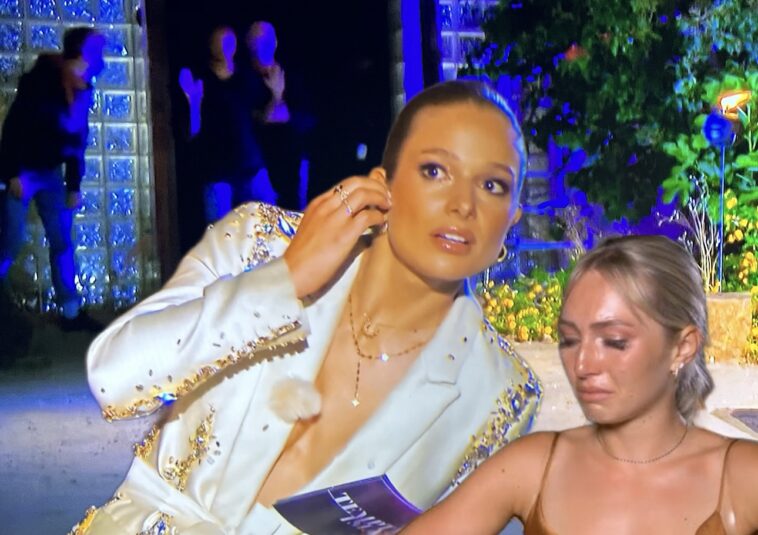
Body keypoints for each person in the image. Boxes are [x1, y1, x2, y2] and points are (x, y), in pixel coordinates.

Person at [72, 80, 542, 534]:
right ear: (385, 184)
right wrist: (285, 281)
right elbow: (113, 379)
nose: (462, 205)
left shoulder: (501, 392)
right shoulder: (260, 243)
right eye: (435, 171)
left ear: (513, 218)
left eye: (493, 185)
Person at [403, 235, 758, 535]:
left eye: (615, 341)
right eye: (570, 340)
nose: (583, 365)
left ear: (682, 347)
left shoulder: (742, 476)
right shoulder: (532, 466)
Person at [0, 26, 105, 331]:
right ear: (81, 53)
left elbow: (76, 141)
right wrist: (12, 173)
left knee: (62, 241)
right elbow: (15, 128)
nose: (101, 58)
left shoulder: (81, 88)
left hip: (50, 173)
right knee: (10, 241)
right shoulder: (42, 81)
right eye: (96, 50)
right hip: (23, 170)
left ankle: (70, 312)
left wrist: (73, 185)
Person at [178, 25, 268, 226]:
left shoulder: (246, 77)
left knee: (261, 229)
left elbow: (261, 117)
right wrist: (193, 102)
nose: (224, 47)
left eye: (228, 42)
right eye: (219, 42)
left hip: (249, 165)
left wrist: (276, 97)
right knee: (221, 233)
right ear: (211, 46)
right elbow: (192, 132)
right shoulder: (202, 80)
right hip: (217, 169)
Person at [244, 21, 305, 211]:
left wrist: (280, 108)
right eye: (256, 40)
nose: (261, 44)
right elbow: (254, 120)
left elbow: (301, 117)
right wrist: (276, 98)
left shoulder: (290, 76)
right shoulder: (244, 79)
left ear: (275, 42)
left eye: (266, 39)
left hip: (292, 161)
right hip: (258, 166)